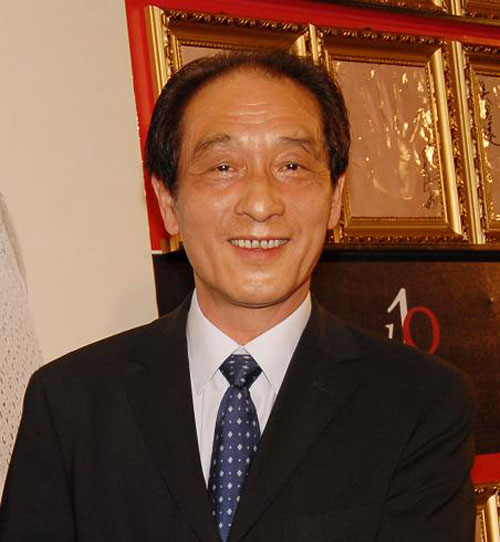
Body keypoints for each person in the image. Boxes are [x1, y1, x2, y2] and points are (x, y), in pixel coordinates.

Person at [0, 51, 476, 542]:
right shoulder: (71, 402)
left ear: (335, 197)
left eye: (292, 165)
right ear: (168, 201)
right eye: (224, 167)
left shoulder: (420, 403)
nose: (261, 203)